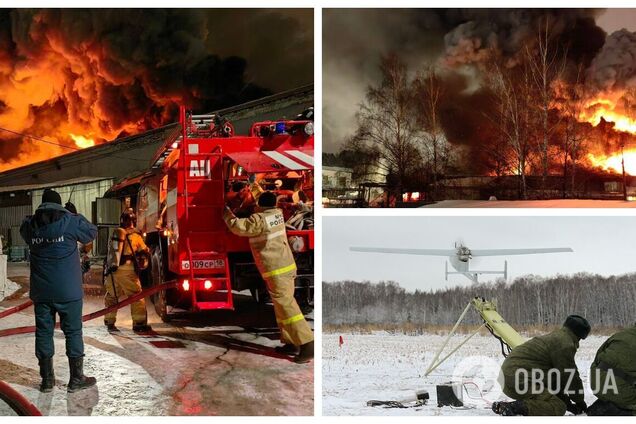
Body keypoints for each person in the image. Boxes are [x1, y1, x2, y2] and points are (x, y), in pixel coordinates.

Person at [19, 188, 97, 393]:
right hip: (68, 291)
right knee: (72, 332)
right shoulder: (69, 221)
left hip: (42, 291)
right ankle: (76, 379)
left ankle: (46, 380)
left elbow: (24, 230)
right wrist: (74, 214)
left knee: (43, 332)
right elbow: (92, 232)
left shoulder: (30, 225)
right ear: (59, 205)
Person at [223, 191, 314, 363]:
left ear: (261, 206)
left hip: (276, 270)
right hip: (286, 266)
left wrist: (226, 212)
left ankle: (307, 343)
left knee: (287, 307)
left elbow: (238, 227)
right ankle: (291, 342)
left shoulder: (259, 220)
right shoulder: (277, 214)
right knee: (282, 306)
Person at [492, 315, 591, 416]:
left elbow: (554, 384)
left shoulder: (557, 337)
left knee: (556, 398)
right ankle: (514, 407)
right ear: (579, 336)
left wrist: (570, 405)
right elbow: (570, 375)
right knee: (557, 406)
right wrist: (579, 401)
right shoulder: (564, 344)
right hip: (517, 380)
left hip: (510, 378)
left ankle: (512, 406)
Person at [104, 210, 151, 333]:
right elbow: (145, 250)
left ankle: (109, 321)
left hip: (113, 272)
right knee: (136, 296)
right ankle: (139, 323)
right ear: (133, 221)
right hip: (128, 272)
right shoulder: (135, 236)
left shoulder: (116, 234)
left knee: (112, 296)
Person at [588, 324, 636, 416]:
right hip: (619, 389)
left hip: (596, 383)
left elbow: (597, 358)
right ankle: (619, 412)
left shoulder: (620, 335)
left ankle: (608, 403)